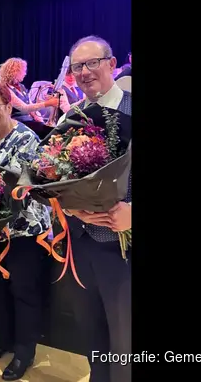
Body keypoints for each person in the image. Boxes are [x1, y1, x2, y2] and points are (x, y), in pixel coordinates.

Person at [59, 35, 132, 382]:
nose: (85, 72)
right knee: (93, 336)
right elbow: (52, 182)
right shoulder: (70, 119)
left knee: (126, 344)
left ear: (112, 64)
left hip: (125, 250)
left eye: (93, 63)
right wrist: (73, 210)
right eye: (77, 66)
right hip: (82, 246)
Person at [0, 80, 51, 381]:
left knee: (23, 292)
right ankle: (2, 340)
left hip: (24, 231)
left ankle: (23, 352)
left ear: (9, 106)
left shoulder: (27, 139)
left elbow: (25, 195)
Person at [0, 57, 58, 123]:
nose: (25, 74)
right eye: (23, 71)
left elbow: (30, 106)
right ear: (15, 72)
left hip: (26, 121)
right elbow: (24, 108)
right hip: (14, 123)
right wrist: (48, 103)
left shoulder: (21, 86)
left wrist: (39, 119)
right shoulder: (4, 88)